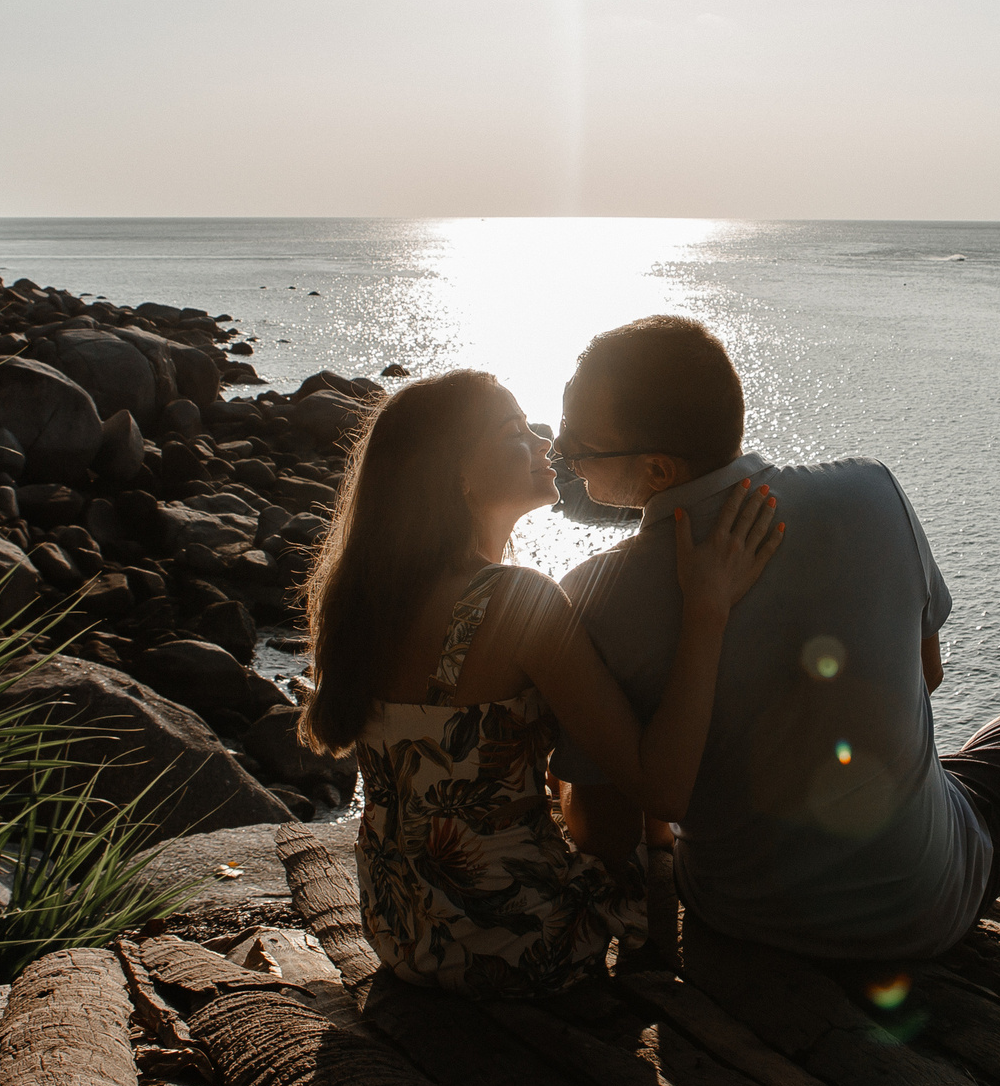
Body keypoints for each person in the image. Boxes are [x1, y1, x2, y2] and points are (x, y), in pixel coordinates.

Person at [549, 316, 1000, 961]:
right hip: (924, 907)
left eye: (578, 446)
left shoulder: (592, 594)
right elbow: (927, 673)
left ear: (659, 468)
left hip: (736, 910)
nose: (565, 457)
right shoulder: (870, 491)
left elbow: (602, 832)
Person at [298, 368, 782, 997]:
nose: (544, 442)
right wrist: (708, 607)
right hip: (520, 941)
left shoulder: (367, 603)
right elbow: (664, 789)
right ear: (458, 475)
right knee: (638, 819)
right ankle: (664, 964)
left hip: (403, 932)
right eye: (514, 431)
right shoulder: (515, 600)